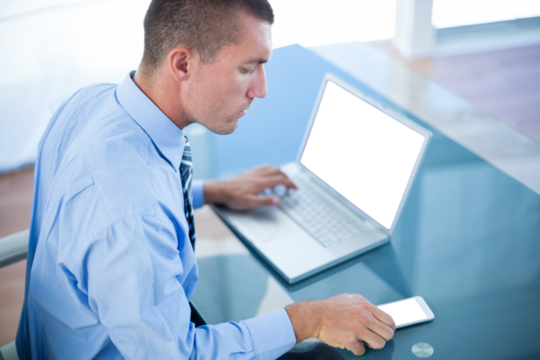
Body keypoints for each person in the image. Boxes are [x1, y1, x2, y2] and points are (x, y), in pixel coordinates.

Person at [16, 0, 396, 358]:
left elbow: (109, 207)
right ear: (182, 64)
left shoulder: (91, 101)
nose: (261, 90)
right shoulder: (132, 216)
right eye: (247, 68)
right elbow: (181, 354)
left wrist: (210, 191)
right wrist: (308, 319)